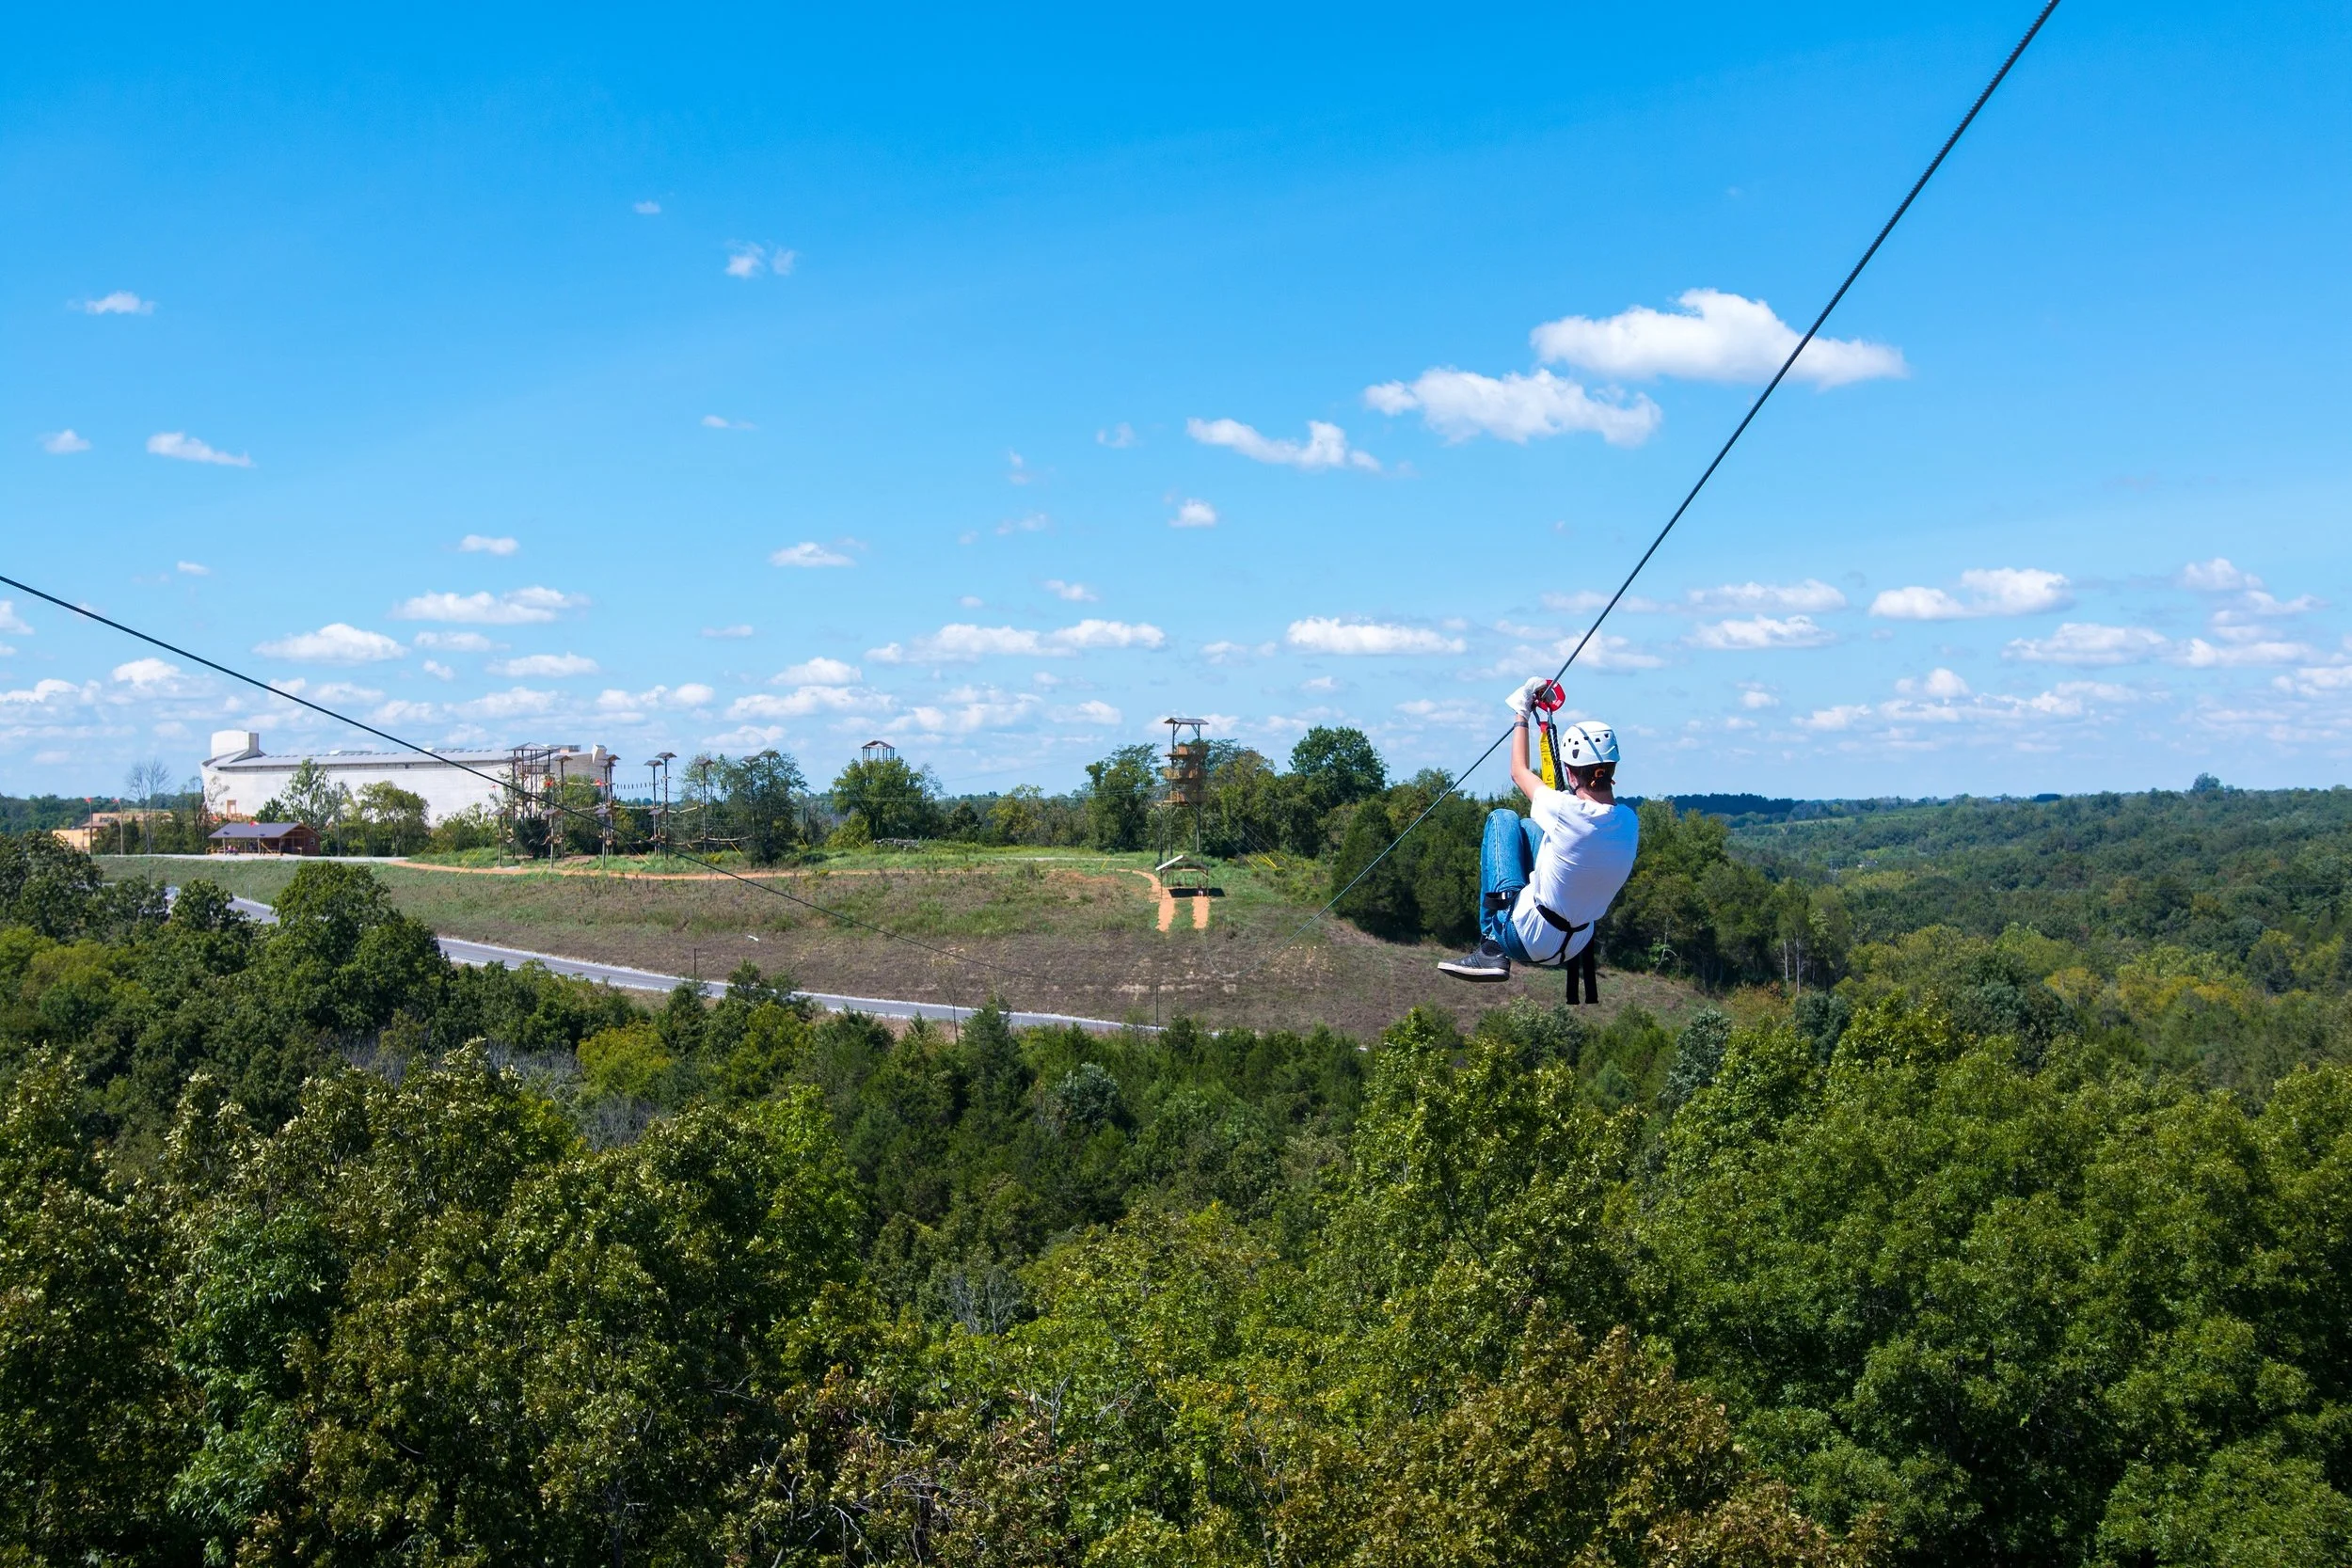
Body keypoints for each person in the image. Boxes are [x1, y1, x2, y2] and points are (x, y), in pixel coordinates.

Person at [1438, 677, 1638, 982]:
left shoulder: (1566, 812)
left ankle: (1491, 946)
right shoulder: (1628, 821)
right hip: (1574, 945)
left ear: (1570, 774)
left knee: (1503, 819)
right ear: (1611, 770)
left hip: (1525, 936)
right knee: (1530, 826)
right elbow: (1576, 811)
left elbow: (1519, 772)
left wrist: (1522, 711)